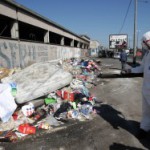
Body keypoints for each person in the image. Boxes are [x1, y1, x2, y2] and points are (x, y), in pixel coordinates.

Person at [124, 31, 150, 139]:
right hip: (146, 89)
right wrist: (130, 70)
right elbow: (142, 68)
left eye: (145, 42)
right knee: (146, 111)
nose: (144, 44)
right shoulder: (147, 55)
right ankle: (145, 128)